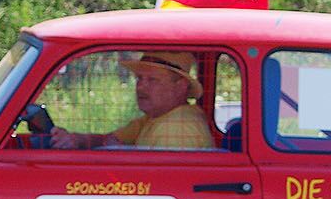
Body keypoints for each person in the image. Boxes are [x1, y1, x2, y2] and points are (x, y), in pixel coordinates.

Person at [51, 52, 215, 150]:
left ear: (180, 87)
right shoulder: (156, 117)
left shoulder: (176, 128)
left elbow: (158, 187)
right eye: (139, 78)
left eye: (152, 80)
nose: (141, 87)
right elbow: (113, 141)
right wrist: (76, 139)